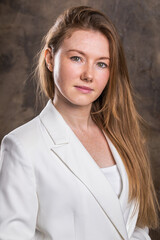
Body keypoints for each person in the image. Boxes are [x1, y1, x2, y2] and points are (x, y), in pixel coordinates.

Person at [0, 5, 159, 240]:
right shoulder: (21, 147)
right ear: (50, 59)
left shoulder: (124, 136)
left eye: (101, 63)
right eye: (77, 58)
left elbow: (134, 228)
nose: (88, 75)